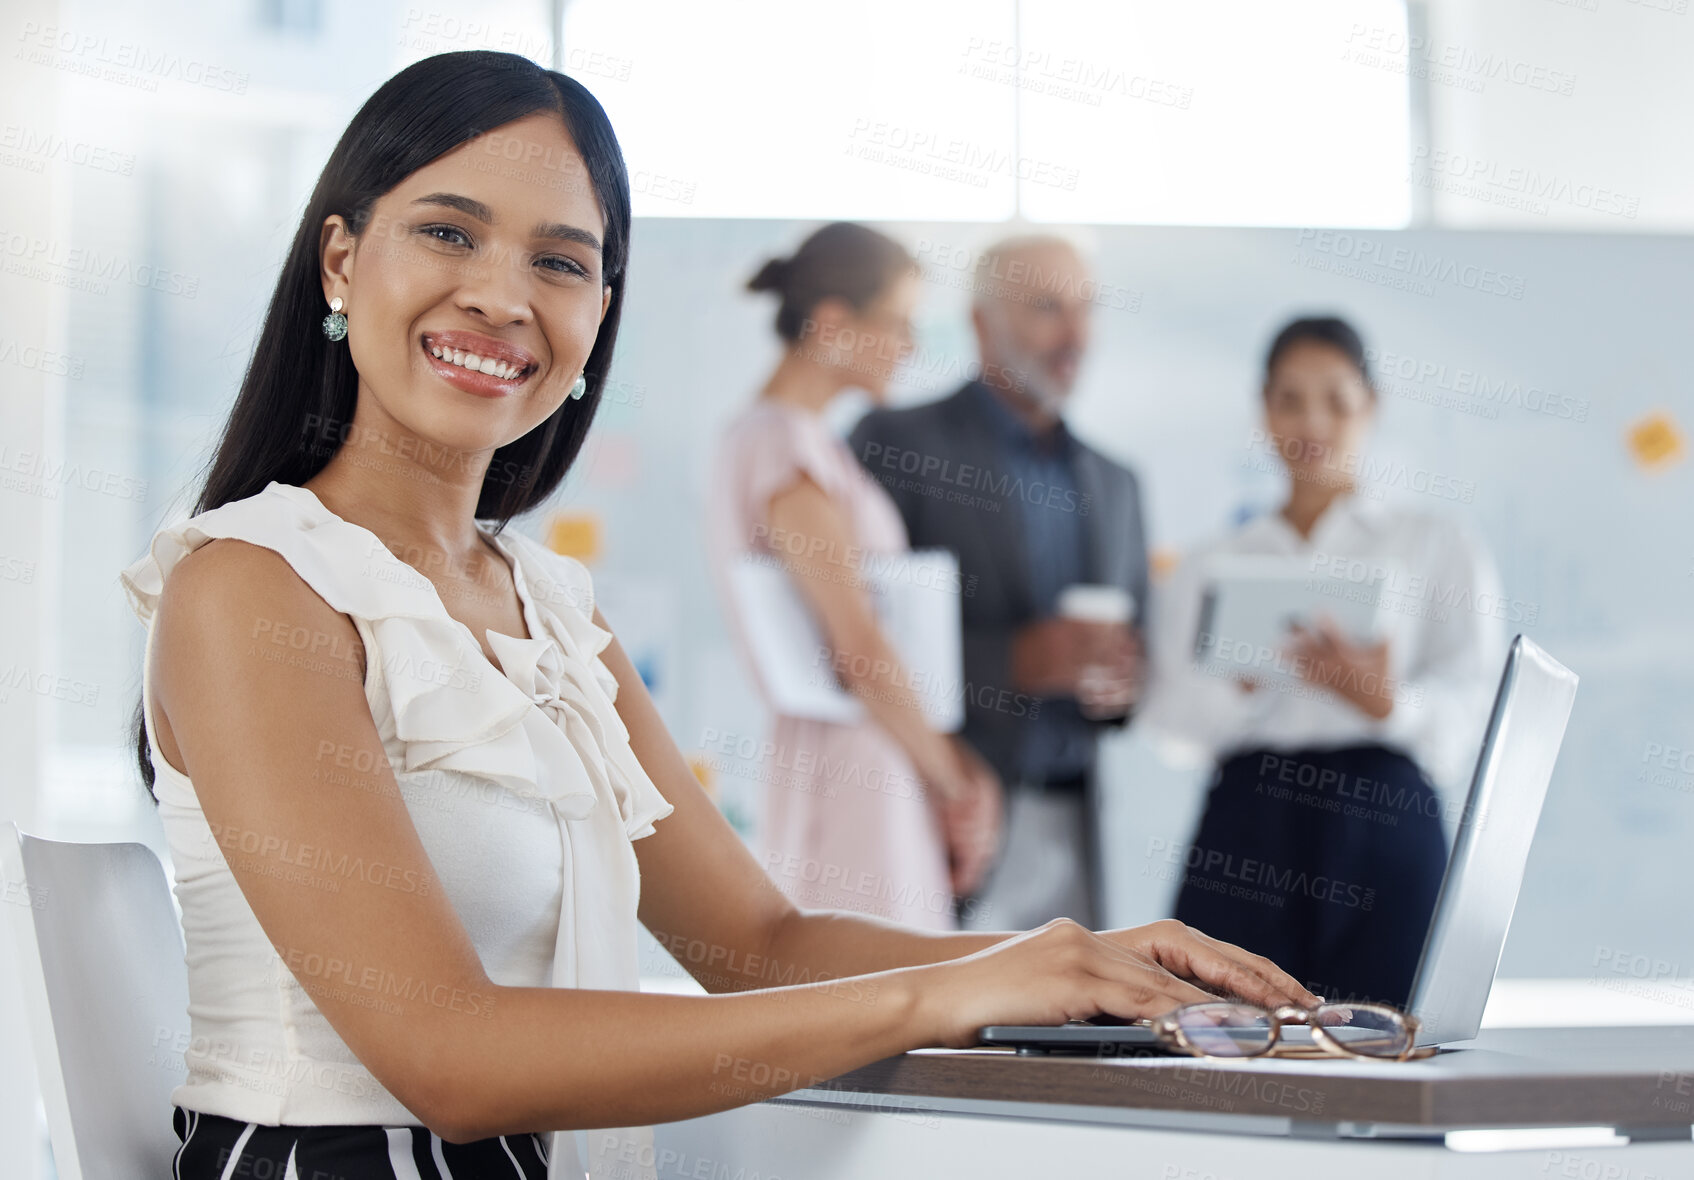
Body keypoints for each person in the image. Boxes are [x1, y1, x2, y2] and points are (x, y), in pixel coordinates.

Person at [124, 51, 1322, 1180]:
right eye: (446, 231)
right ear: (339, 260)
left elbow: (759, 943)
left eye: (559, 260)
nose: (499, 295)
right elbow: (452, 1059)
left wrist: (1060, 960)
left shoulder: (549, 611)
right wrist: (945, 994)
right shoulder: (250, 587)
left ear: (598, 313)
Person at [1140, 315, 1506, 1009]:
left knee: (1390, 1051)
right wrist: (1241, 687)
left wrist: (1387, 702)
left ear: (1372, 407)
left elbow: (1476, 707)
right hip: (1247, 826)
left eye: (1336, 400)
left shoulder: (1435, 543)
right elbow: (1169, 724)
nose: (1313, 420)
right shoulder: (1212, 561)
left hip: (1386, 824)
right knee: (1221, 1049)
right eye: (1290, 399)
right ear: (1264, 411)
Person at [848, 235, 1148, 932]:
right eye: (1048, 308)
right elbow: (851, 636)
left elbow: (1136, 661)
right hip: (945, 817)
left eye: (1087, 309)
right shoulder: (895, 441)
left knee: (1073, 1036)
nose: (1076, 335)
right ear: (982, 324)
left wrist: (1123, 683)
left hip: (1077, 826)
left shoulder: (1116, 482)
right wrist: (1015, 662)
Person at [707, 223, 1001, 932]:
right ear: (834, 324)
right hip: (853, 772)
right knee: (874, 1000)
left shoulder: (794, 442)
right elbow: (859, 648)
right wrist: (956, 783)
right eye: (898, 324)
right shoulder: (784, 443)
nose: (910, 347)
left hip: (869, 759)